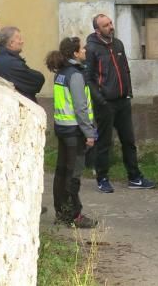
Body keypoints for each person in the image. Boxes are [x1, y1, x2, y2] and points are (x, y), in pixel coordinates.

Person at [84, 14, 155, 192]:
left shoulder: (118, 44)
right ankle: (102, 179)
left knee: (129, 141)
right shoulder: (92, 48)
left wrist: (128, 91)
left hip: (123, 101)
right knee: (105, 143)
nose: (111, 27)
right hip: (105, 103)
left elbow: (125, 69)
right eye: (106, 25)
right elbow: (88, 79)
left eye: (110, 23)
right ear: (97, 30)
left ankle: (135, 177)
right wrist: (100, 99)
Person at [46, 37, 98, 229]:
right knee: (72, 175)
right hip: (74, 131)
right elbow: (80, 107)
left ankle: (61, 212)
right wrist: (89, 132)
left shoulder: (61, 73)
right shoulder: (75, 75)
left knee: (61, 172)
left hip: (62, 128)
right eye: (82, 49)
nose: (85, 51)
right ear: (75, 53)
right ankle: (73, 215)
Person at [0, 26, 45, 103]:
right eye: (19, 39)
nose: (22, 41)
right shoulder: (10, 63)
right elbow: (37, 80)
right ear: (11, 43)